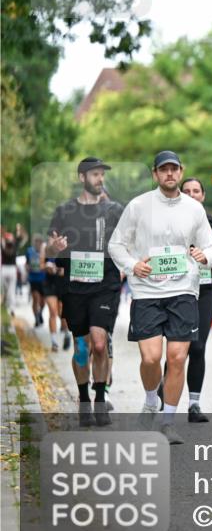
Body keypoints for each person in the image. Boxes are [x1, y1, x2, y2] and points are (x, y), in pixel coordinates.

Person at [108, 151, 212, 445]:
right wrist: (133, 265)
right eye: (163, 170)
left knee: (177, 357)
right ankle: (149, 401)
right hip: (147, 291)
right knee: (151, 357)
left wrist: (203, 256)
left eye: (174, 169)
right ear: (155, 174)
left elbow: (210, 246)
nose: (169, 174)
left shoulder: (194, 209)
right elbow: (116, 245)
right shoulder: (139, 206)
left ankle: (168, 422)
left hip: (183, 290)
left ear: (181, 171)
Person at [46, 157, 125, 427]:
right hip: (75, 287)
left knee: (100, 343)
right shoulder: (65, 211)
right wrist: (55, 248)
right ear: (82, 178)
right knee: (81, 348)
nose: (100, 179)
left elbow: (128, 240)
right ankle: (83, 401)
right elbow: (49, 247)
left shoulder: (115, 210)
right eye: (94, 174)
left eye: (102, 174)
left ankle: (100, 398)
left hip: (106, 285)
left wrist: (127, 262)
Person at [161, 177, 212, 423]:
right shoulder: (166, 221)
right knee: (177, 349)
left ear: (203, 195)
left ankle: (194, 405)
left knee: (198, 346)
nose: (191, 194)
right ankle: (164, 393)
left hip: (205, 288)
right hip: (177, 289)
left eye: (196, 191)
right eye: (186, 190)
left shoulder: (211, 222)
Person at [26, 235, 46, 326]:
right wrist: (27, 267)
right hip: (33, 278)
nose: (38, 244)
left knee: (43, 301)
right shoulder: (29, 251)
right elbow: (26, 263)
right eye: (36, 242)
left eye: (39, 242)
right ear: (34, 243)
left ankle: (40, 312)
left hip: (43, 279)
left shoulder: (45, 251)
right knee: (35, 298)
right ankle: (36, 319)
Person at [1, 230, 18, 316]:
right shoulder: (14, 245)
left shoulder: (5, 244)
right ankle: (11, 307)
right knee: (10, 290)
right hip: (7, 268)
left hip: (7, 268)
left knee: (8, 290)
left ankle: (10, 307)